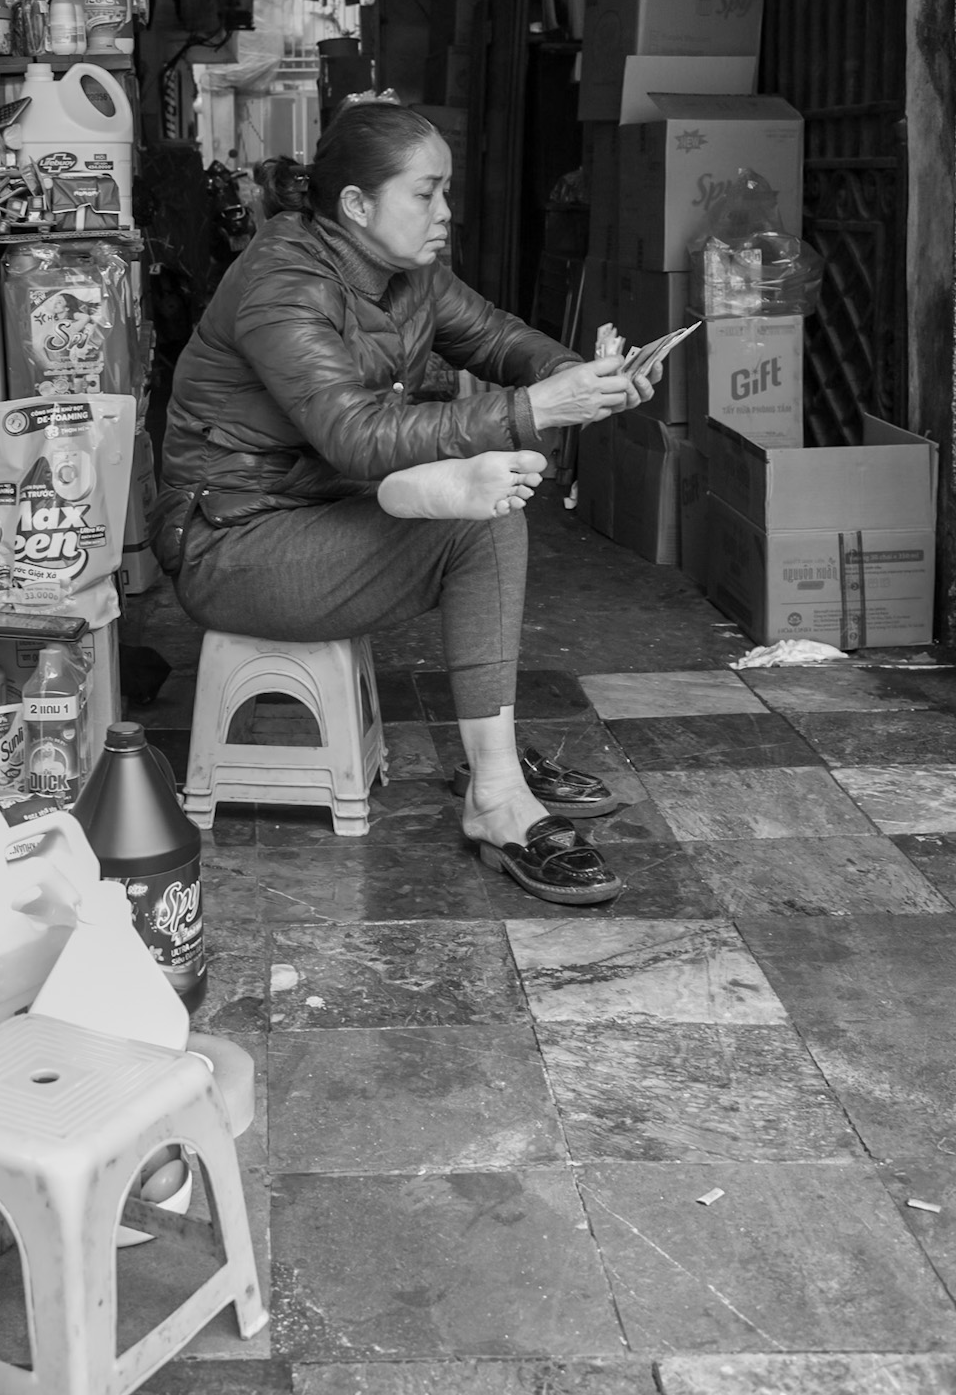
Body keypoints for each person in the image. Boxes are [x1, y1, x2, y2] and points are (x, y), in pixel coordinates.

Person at [153, 100, 658, 905]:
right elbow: (354, 435)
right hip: (235, 541)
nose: (445, 211)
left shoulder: (407, 272)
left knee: (482, 509)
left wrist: (580, 377)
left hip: (319, 505)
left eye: (444, 191)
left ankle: (493, 757)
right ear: (357, 205)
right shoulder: (282, 286)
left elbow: (494, 338)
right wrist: (534, 410)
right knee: (478, 526)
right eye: (426, 194)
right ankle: (496, 793)